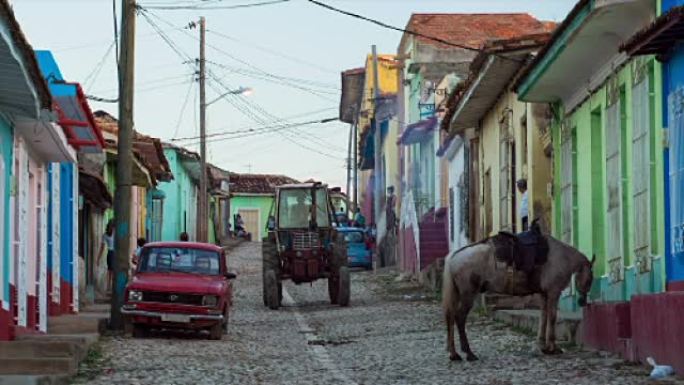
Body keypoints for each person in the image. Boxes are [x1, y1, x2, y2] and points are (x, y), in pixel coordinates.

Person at [97, 220, 115, 294]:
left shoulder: (106, 235)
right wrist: (98, 258)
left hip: (111, 253)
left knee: (110, 271)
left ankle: (109, 286)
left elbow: (102, 248)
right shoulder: (108, 235)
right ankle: (110, 286)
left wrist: (98, 258)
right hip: (113, 253)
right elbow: (102, 247)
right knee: (112, 271)